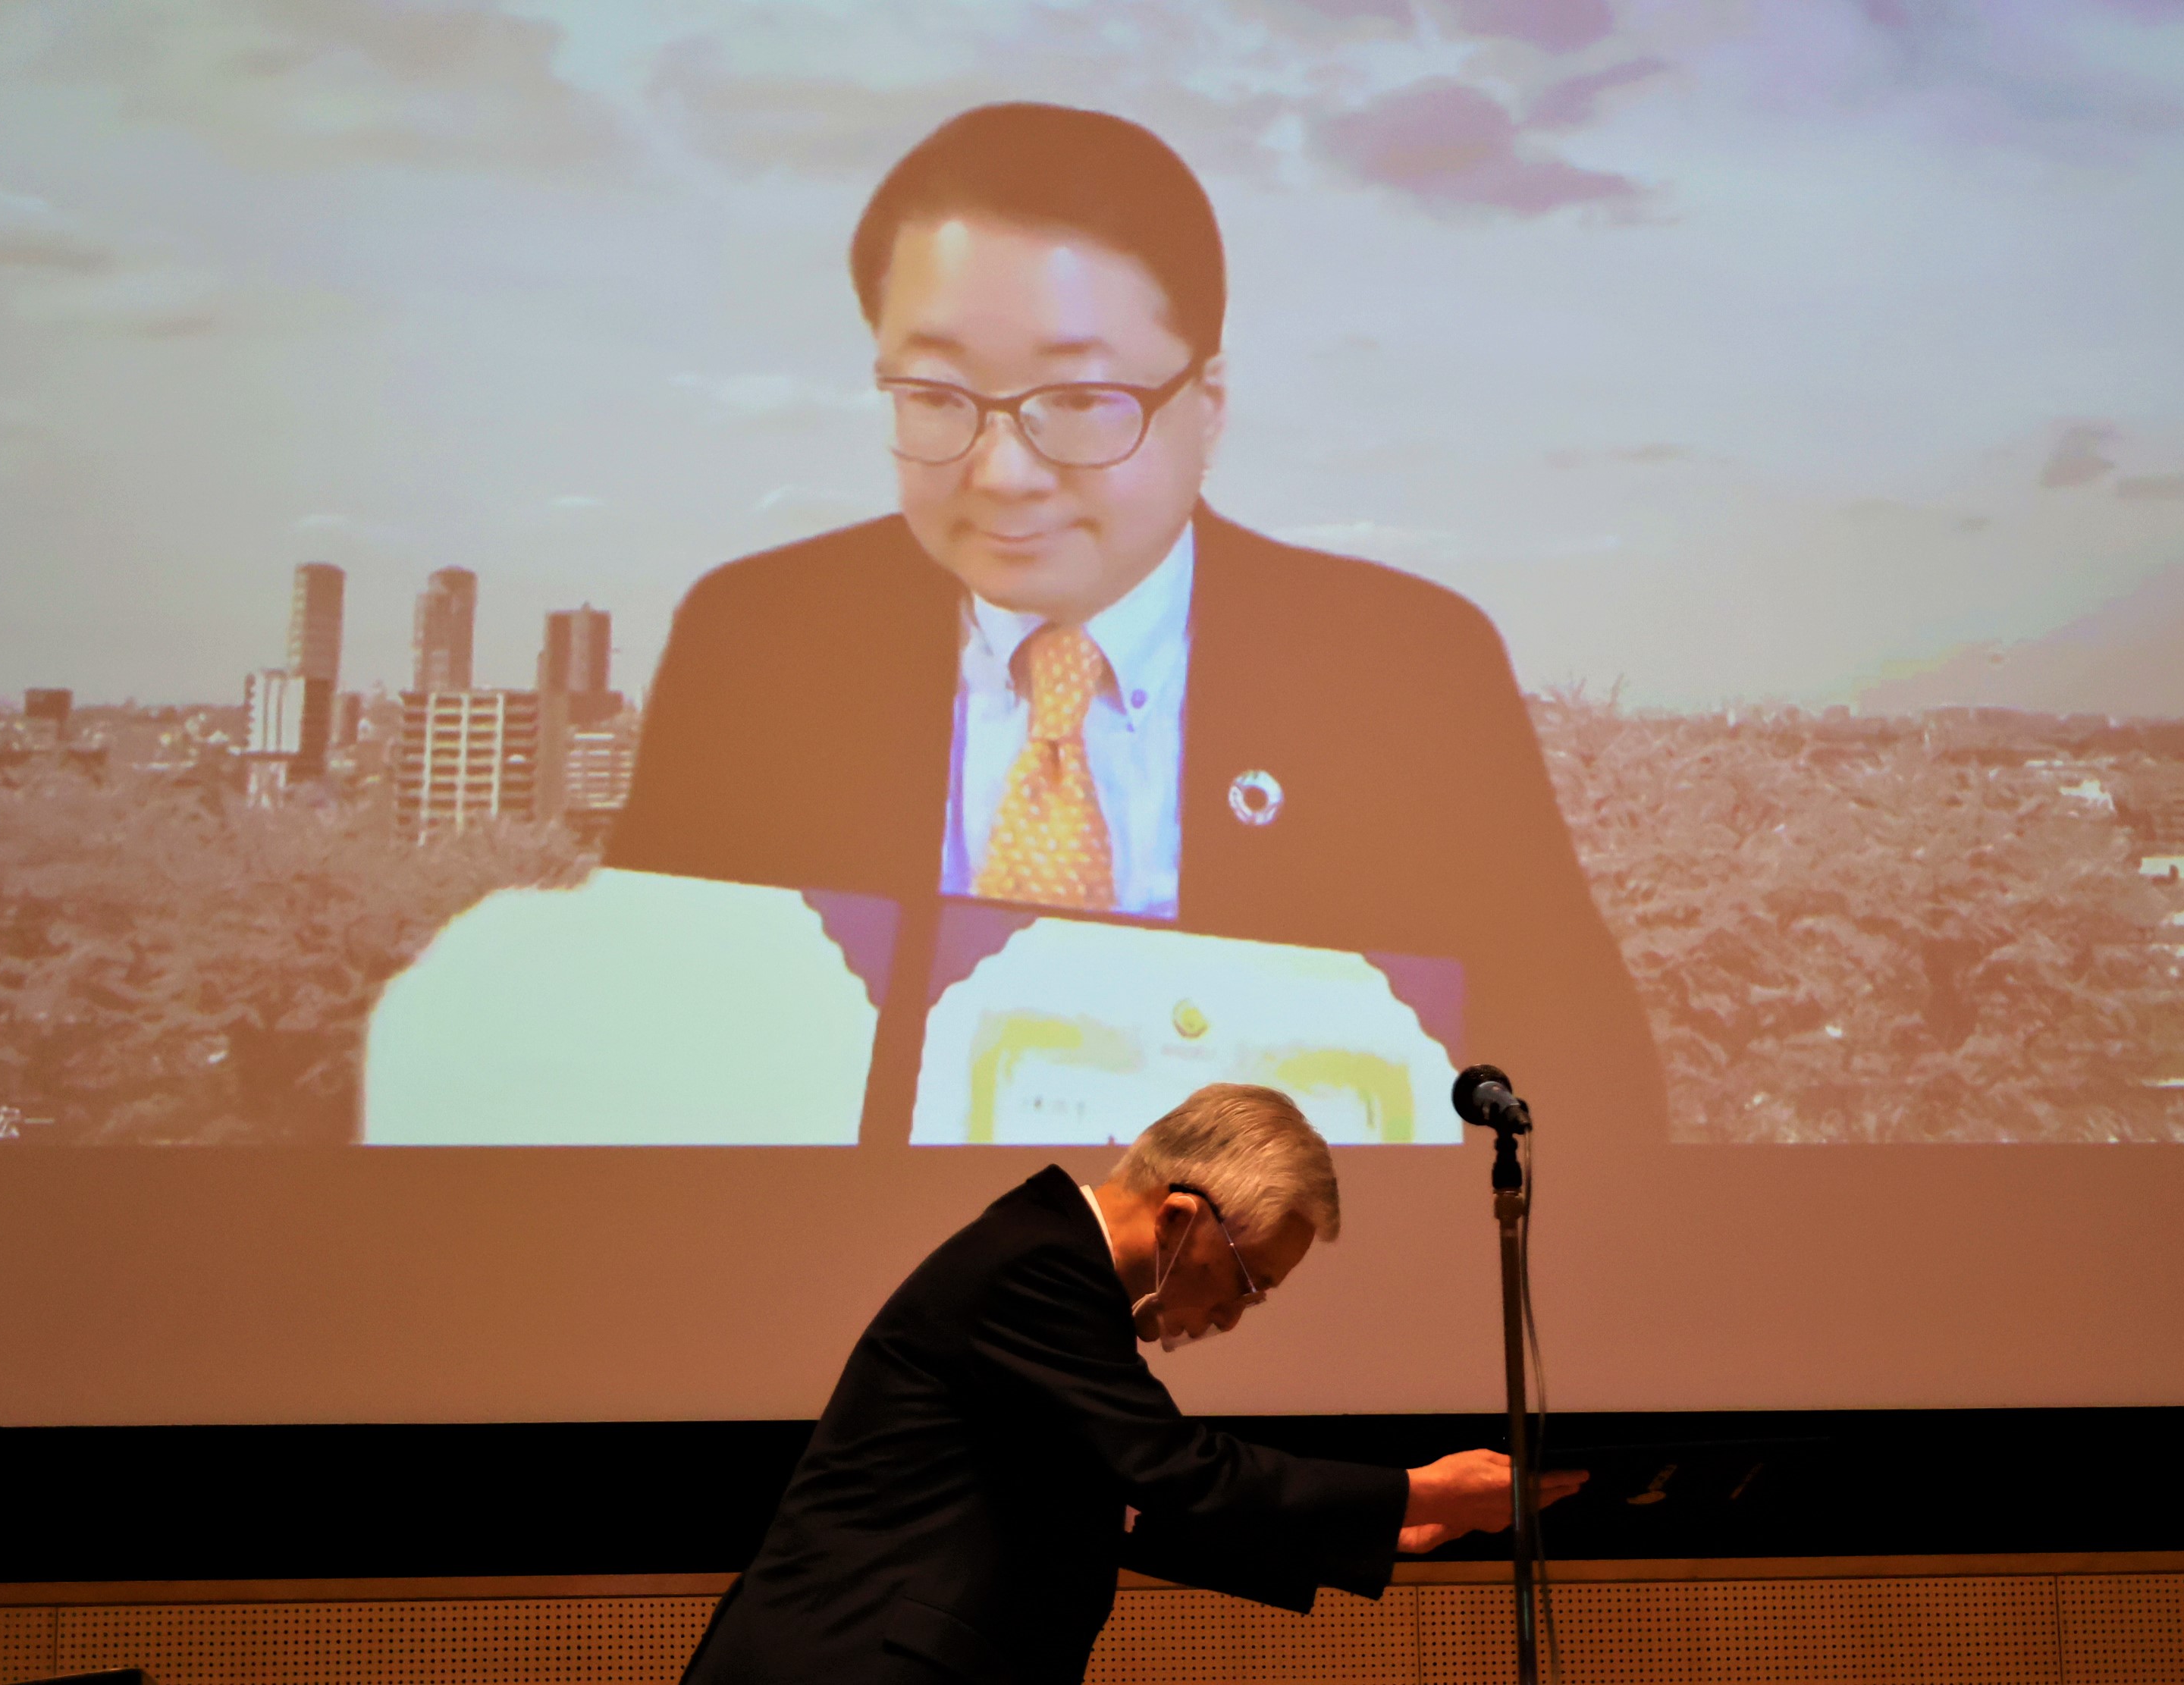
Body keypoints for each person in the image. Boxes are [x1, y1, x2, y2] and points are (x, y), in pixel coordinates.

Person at [606, 101, 1665, 1144]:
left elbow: (1578, 1097)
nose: (1002, 472)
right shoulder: (752, 645)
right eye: (935, 394)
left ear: (1207, 405)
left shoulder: (1407, 673)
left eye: (1076, 399)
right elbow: (642, 1065)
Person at [678, 1084, 1586, 1684]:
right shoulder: (1036, 1266)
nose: (1231, 1315)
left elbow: (1121, 1506)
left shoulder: (1049, 1264)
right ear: (1182, 1215)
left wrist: (1377, 1529)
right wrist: (1414, 1489)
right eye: (1245, 1281)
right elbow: (1179, 1469)